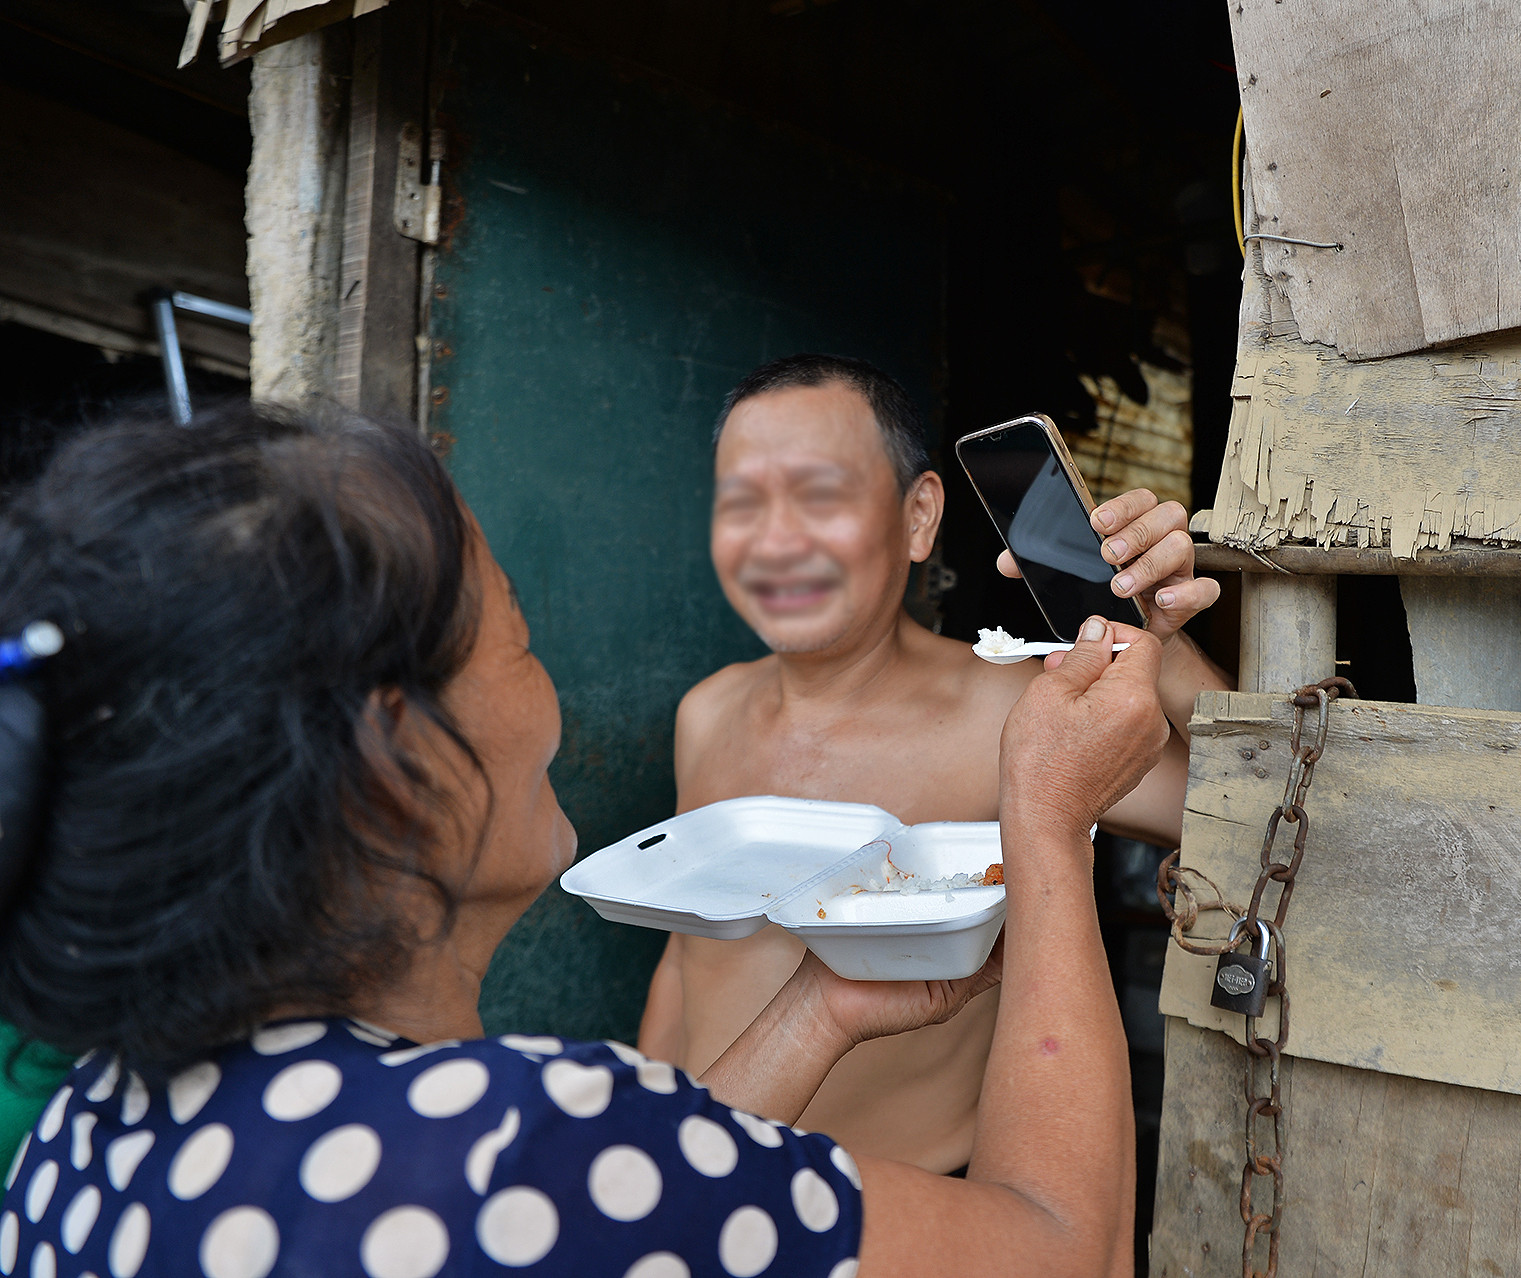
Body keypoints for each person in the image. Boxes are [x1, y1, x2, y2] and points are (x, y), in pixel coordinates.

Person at [0, 404, 1165, 1277]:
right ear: (401, 768)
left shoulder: (71, 1141)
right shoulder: (530, 1143)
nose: (546, 688)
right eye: (516, 640)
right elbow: (1063, 1248)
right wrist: (1049, 834)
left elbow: (664, 1184)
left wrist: (819, 1012)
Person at [642, 354, 1231, 1173]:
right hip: (709, 1196)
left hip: (910, 1220)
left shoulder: (1010, 710)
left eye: (820, 496)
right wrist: (648, 1153)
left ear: (919, 516)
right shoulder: (704, 715)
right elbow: (687, 960)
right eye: (740, 503)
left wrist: (1158, 646)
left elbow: (1246, 817)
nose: (775, 540)